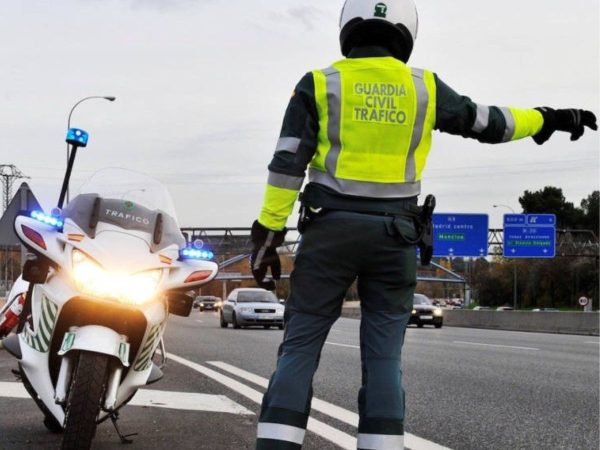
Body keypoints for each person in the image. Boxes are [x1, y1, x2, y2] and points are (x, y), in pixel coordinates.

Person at [249, 1, 597, 449]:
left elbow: (287, 162)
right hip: (396, 238)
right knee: (383, 357)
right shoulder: (424, 88)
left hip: (329, 233)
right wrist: (547, 118)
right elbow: (487, 121)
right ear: (405, 32)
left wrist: (268, 231)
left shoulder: (319, 83)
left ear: (348, 30)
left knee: (300, 346)